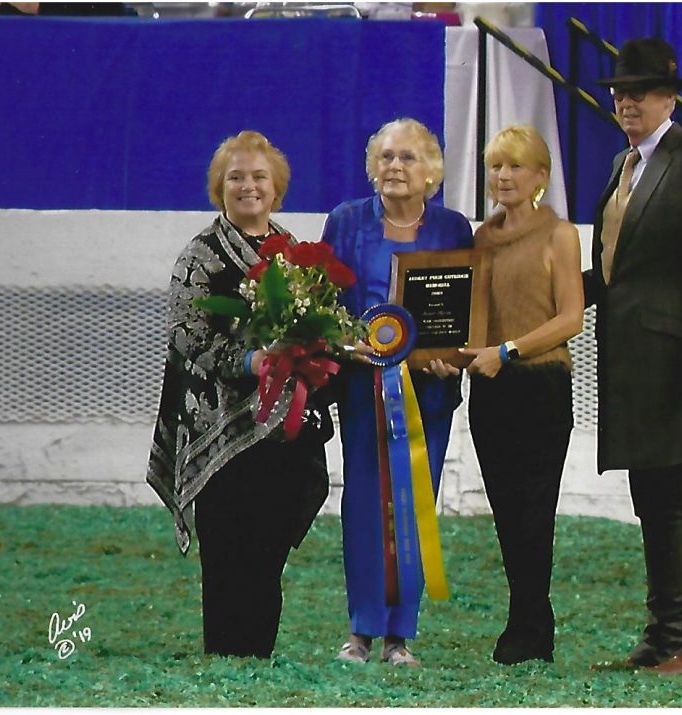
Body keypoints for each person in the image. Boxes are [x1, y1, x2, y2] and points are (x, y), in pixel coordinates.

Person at [586, 38, 682, 675]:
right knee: (652, 496)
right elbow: (611, 273)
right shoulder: (623, 167)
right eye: (621, 91)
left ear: (670, 99)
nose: (627, 101)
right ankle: (663, 636)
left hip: (679, 362)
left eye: (641, 91)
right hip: (632, 363)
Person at [146, 130, 331, 658]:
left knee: (270, 545)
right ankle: (225, 649)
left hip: (283, 431)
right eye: (236, 178)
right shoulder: (198, 256)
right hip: (219, 428)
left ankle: (259, 650)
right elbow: (186, 336)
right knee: (227, 545)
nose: (248, 187)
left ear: (277, 189)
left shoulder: (295, 252)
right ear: (218, 189)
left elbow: (315, 328)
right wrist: (251, 360)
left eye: (258, 178)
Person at [320, 118, 473, 667]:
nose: (395, 167)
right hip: (363, 391)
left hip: (426, 398)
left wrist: (449, 357)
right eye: (386, 157)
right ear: (372, 166)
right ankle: (360, 630)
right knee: (363, 504)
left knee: (413, 508)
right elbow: (322, 304)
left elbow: (466, 314)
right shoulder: (345, 222)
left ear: (431, 171)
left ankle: (399, 637)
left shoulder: (454, 229)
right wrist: (346, 344)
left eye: (408, 158)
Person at [457, 125, 583, 665]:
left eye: (514, 167)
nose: (503, 177)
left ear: (541, 176)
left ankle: (533, 623)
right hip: (492, 388)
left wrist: (507, 350)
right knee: (507, 511)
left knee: (536, 509)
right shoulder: (481, 238)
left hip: (541, 385)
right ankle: (527, 618)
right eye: (495, 167)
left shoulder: (561, 235)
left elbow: (571, 318)